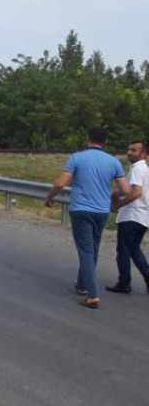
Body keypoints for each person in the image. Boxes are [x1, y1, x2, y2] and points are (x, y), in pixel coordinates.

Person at [45, 126, 129, 309]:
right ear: (105, 142)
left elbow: (60, 184)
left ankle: (93, 294)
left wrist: (50, 197)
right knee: (93, 249)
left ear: (87, 139)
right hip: (101, 211)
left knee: (85, 252)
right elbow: (125, 190)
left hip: (81, 211)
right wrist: (112, 197)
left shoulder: (77, 157)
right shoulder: (113, 162)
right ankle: (83, 285)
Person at [107, 140, 149, 294]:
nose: (129, 152)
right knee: (134, 248)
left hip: (132, 214)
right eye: (129, 149)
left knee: (123, 250)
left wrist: (120, 204)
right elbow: (132, 189)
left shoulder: (138, 169)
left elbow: (136, 192)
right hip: (143, 216)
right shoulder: (144, 169)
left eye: (134, 150)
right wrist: (116, 194)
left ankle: (124, 283)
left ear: (143, 154)